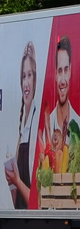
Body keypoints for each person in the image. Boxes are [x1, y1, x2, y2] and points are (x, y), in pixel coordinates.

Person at [5, 41, 38, 209]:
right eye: (23, 76)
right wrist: (12, 182)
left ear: (35, 79)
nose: (26, 82)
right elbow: (16, 203)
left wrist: (16, 181)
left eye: (29, 75)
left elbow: (36, 202)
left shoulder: (37, 123)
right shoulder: (19, 130)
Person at [42, 35, 80, 174]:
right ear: (55, 75)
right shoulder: (47, 127)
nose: (63, 79)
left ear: (70, 70)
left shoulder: (78, 125)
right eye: (59, 71)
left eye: (65, 70)